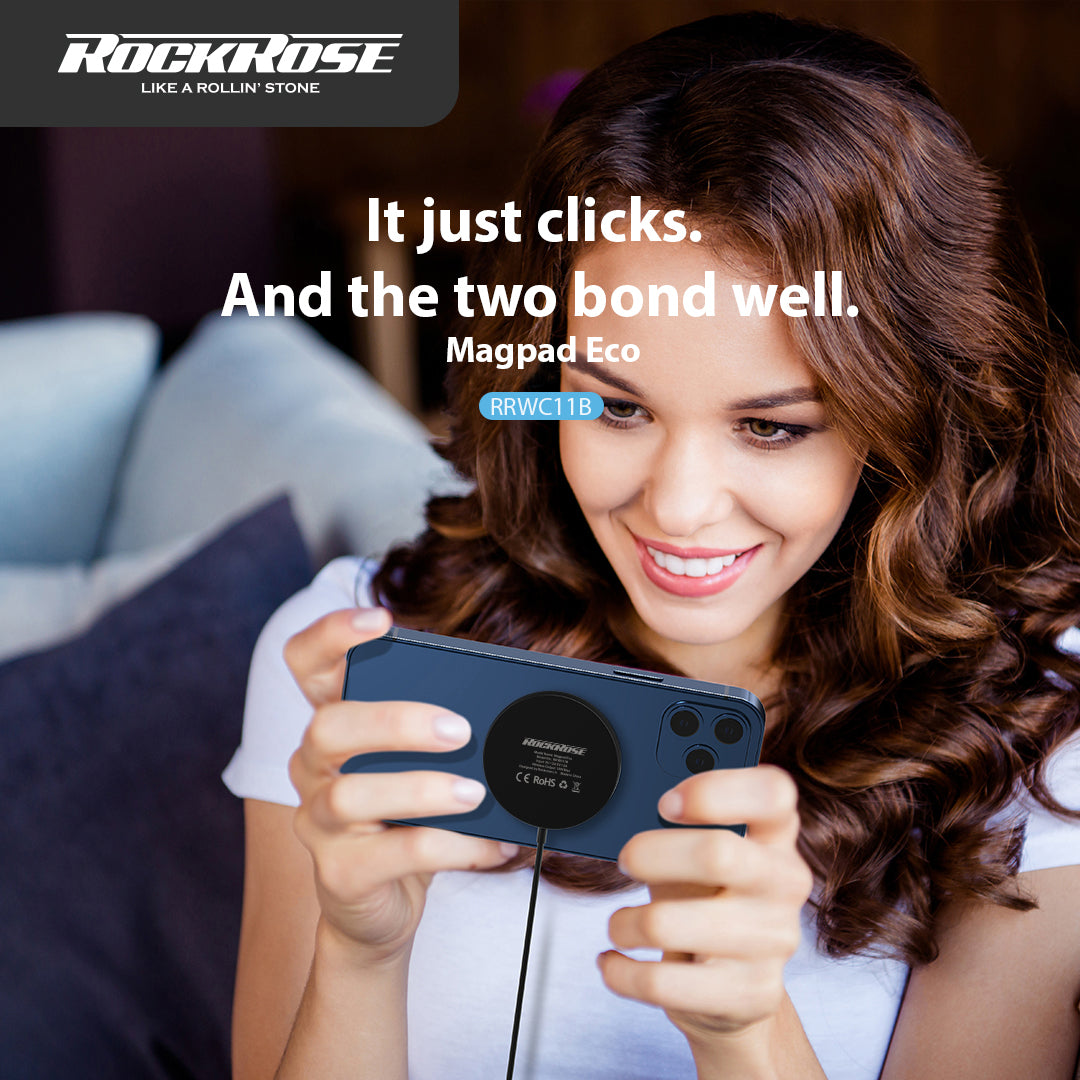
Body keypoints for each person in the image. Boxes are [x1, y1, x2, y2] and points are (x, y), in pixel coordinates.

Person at [223, 12, 1080, 1080]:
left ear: (907, 415)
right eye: (616, 406)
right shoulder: (351, 654)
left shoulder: (1038, 727)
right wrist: (359, 956)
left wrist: (744, 1032)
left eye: (771, 426)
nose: (676, 509)